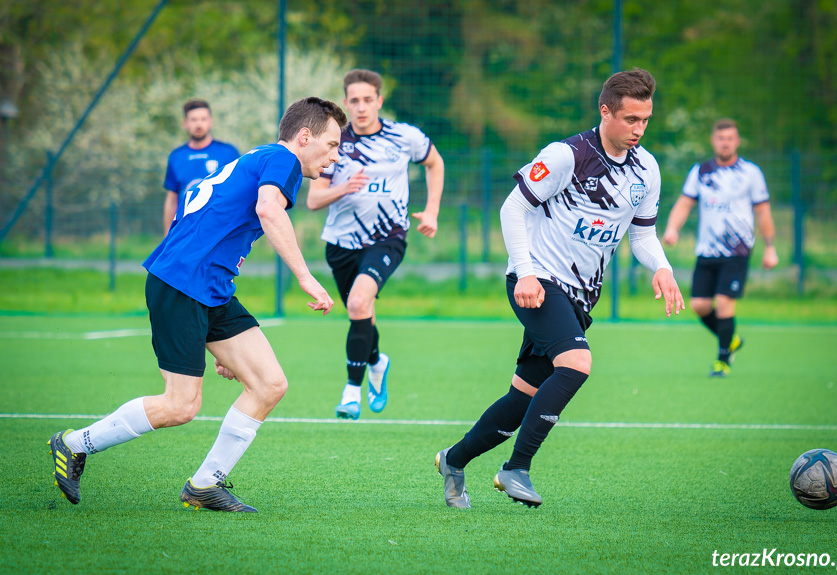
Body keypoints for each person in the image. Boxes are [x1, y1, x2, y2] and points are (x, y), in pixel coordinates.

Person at [48, 97, 347, 513]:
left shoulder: (258, 157)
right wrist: (305, 276)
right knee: (181, 405)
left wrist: (219, 341)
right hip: (182, 283)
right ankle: (73, 444)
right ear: (304, 136)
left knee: (268, 384)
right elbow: (268, 210)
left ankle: (205, 485)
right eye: (331, 144)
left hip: (210, 287)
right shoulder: (283, 159)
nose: (335, 155)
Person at [435, 68, 685, 509]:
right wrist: (526, 272)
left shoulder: (647, 169)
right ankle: (516, 469)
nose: (638, 129)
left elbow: (642, 235)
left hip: (580, 295)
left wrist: (661, 267)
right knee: (576, 363)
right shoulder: (568, 155)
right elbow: (512, 209)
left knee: (522, 397)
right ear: (605, 111)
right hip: (537, 279)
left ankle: (453, 460)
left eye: (645, 120)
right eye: (630, 119)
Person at [307, 69, 444, 420]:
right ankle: (376, 362)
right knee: (360, 312)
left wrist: (431, 211)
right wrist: (344, 187)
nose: (362, 107)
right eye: (354, 100)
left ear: (379, 101)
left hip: (388, 238)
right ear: (346, 103)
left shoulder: (404, 136)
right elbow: (313, 200)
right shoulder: (333, 142)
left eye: (368, 100)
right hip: (340, 243)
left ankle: (352, 391)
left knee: (357, 301)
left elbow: (435, 163)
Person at [663, 118, 778, 377]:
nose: (725, 143)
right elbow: (684, 203)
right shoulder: (701, 171)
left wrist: (770, 247)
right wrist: (672, 228)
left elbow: (763, 211)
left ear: (736, 141)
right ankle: (731, 340)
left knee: (725, 304)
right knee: (699, 306)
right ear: (713, 141)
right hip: (707, 251)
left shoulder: (751, 173)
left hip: (736, 252)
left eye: (730, 138)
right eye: (720, 138)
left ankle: (722, 360)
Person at [162, 99, 240, 236]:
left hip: (219, 231)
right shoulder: (176, 156)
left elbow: (239, 193)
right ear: (185, 123)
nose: (199, 124)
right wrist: (168, 236)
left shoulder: (228, 153)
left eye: (203, 119)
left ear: (210, 121)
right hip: (185, 232)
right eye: (194, 120)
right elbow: (171, 199)